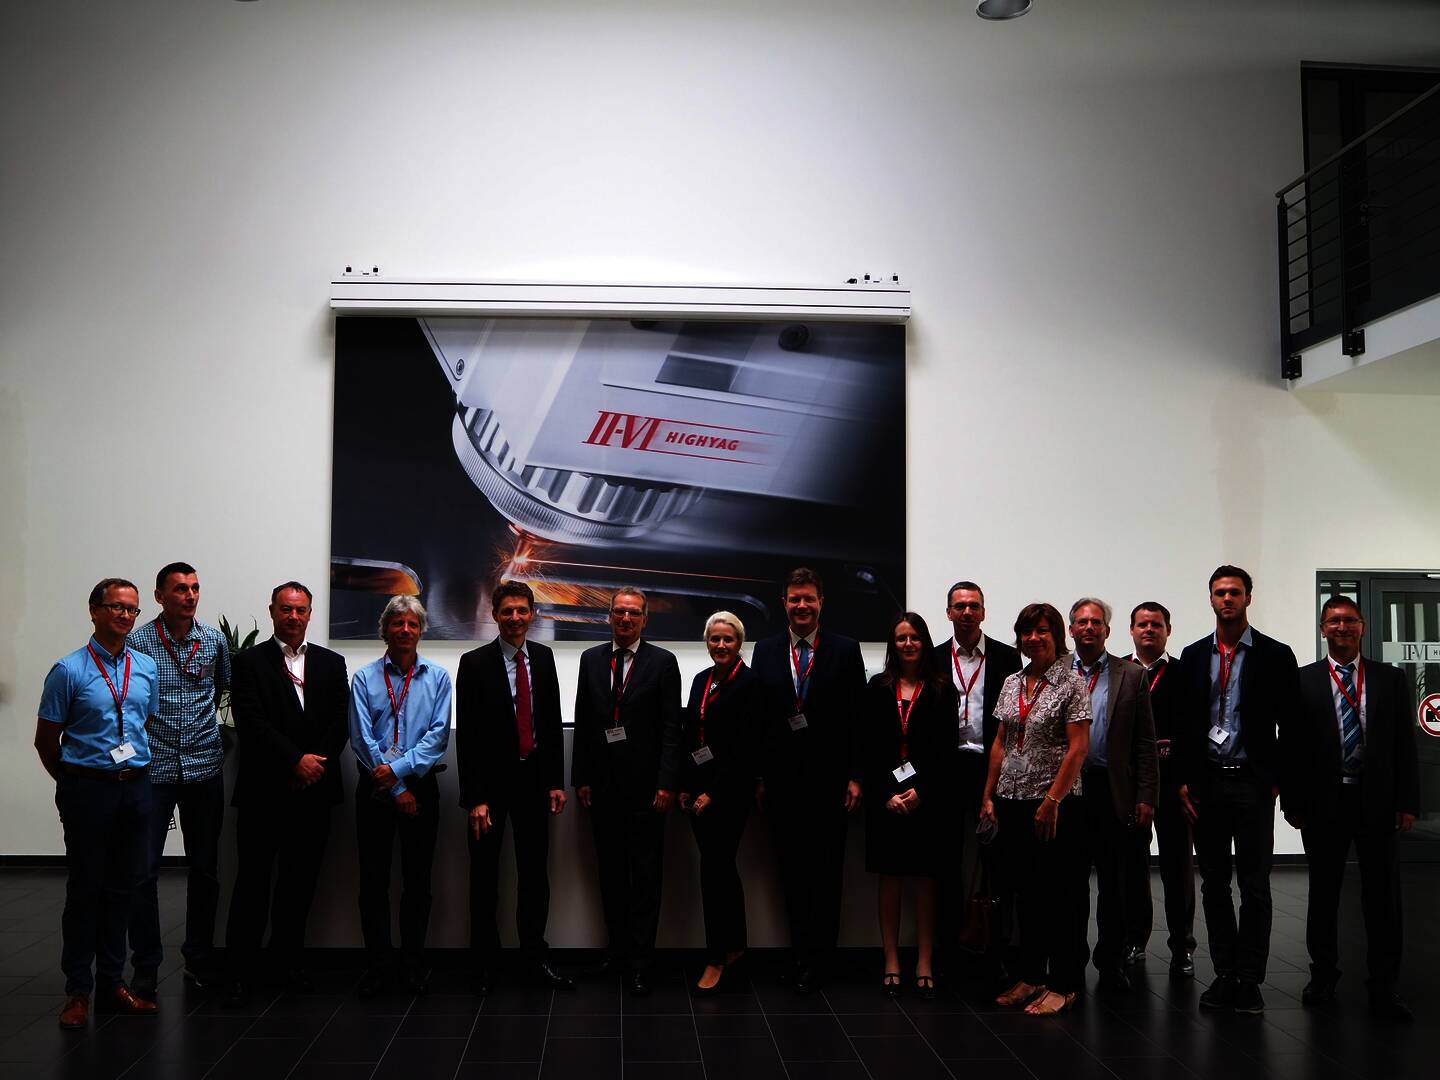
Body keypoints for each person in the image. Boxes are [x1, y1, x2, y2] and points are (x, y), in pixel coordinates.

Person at [1285, 596, 1420, 1020]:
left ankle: (1384, 984)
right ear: (1322, 629)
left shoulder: (1389, 679)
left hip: (1376, 800)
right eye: (1333, 621)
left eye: (1349, 620)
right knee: (1324, 892)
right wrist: (1292, 802)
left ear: (1362, 627)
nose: (1341, 627)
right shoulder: (1303, 680)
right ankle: (1323, 975)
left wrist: (1407, 802)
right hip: (1323, 801)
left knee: (1383, 896)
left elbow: (1404, 744)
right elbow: (1291, 747)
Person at [1174, 565, 1299, 1015]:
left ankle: (1250, 979)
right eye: (1220, 592)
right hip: (1207, 783)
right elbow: (1185, 723)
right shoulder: (1192, 655)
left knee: (1255, 885)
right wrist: (1183, 780)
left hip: (1252, 782)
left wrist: (1277, 778)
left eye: (1235, 592)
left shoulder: (1274, 654)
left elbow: (1293, 723)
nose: (1227, 599)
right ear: (1210, 599)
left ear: (1248, 597)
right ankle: (1224, 973)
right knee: (1214, 884)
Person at [36, 579, 161, 1028]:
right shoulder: (68, 670)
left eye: (132, 610)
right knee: (85, 889)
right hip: (87, 789)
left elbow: (144, 721)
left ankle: (112, 984)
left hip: (135, 787)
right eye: (116, 607)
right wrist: (75, 783)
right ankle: (78, 991)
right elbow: (46, 740)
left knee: (123, 889)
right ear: (94, 611)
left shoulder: (145, 667)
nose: (125, 616)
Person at [224, 581, 350, 1007]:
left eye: (300, 610)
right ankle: (240, 971)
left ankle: (288, 963)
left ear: (310, 613)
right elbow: (251, 722)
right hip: (264, 792)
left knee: (299, 884)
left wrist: (312, 765)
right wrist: (294, 761)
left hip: (314, 793)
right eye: (285, 609)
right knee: (252, 884)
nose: (293, 617)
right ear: (272, 611)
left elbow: (340, 721)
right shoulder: (249, 662)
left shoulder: (331, 663)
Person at [752, 567, 867, 994]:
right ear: (784, 603)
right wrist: (759, 776)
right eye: (795, 598)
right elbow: (760, 719)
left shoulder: (845, 649)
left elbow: (856, 718)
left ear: (822, 602)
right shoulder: (765, 650)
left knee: (827, 873)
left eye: (809, 598)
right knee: (791, 872)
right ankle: (800, 954)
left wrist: (856, 775)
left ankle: (822, 959)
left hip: (830, 783)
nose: (802, 605)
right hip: (781, 783)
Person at [456, 581, 572, 995]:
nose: (515, 618)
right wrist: (475, 798)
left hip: (534, 785)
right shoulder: (474, 663)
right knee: (485, 878)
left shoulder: (543, 657)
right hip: (489, 790)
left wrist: (556, 782)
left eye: (522, 610)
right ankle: (483, 965)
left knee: (534, 876)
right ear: (495, 615)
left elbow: (551, 723)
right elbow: (468, 736)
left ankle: (535, 958)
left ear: (532, 613)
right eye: (507, 611)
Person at [980, 602, 1091, 1016]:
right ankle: (1030, 975)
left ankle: (1064, 983)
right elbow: (1001, 742)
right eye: (1027, 631)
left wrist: (1052, 801)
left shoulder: (1071, 682)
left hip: (1055, 806)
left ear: (1057, 635)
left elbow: (1078, 748)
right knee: (1025, 895)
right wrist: (988, 795)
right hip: (1012, 801)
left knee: (1061, 896)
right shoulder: (1013, 681)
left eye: (1042, 630)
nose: (1033, 638)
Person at [126, 561, 231, 994]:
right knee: (143, 871)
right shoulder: (138, 642)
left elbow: (222, 688)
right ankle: (146, 964)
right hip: (154, 770)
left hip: (204, 767)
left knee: (204, 868)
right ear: (159, 597)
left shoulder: (214, 640)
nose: (189, 596)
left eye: (195, 588)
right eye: (180, 589)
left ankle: (199, 958)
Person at [571, 587, 682, 997]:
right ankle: (615, 953)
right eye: (619, 612)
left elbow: (671, 728)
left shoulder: (663, 662)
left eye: (633, 613)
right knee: (611, 874)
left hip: (647, 791)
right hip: (602, 788)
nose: (625, 619)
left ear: (645, 619)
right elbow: (584, 721)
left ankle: (640, 961)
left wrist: (667, 782)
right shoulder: (591, 659)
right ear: (609, 617)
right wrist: (581, 777)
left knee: (646, 878)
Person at [350, 595, 452, 997]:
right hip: (374, 788)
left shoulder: (439, 678)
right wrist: (394, 786)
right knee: (373, 884)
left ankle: (413, 965)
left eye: (412, 624)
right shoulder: (363, 678)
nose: (405, 630)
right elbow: (361, 738)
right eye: (398, 623)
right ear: (385, 630)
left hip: (420, 788)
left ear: (421, 630)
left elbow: (437, 737)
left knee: (418, 882)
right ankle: (378, 966)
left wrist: (398, 773)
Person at [932, 581, 1022, 990]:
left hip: (991, 769)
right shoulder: (934, 658)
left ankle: (996, 955)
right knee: (945, 863)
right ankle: (948, 954)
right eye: (959, 606)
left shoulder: (1006, 656)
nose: (967, 613)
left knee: (997, 863)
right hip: (947, 770)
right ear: (949, 613)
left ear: (983, 612)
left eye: (974, 606)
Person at [1066, 597, 1158, 992]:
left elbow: (1145, 743)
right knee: (1070, 882)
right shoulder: (1055, 671)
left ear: (1107, 629)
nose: (1089, 627)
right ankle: (1070, 961)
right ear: (1071, 629)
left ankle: (1111, 961)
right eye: (1082, 621)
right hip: (1068, 790)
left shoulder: (1131, 676)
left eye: (1096, 622)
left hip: (1112, 790)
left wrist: (1147, 795)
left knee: (1114, 883)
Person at [863, 612, 952, 999]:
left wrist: (921, 792)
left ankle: (925, 961)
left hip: (925, 801)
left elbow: (946, 749)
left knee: (927, 879)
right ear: (892, 644)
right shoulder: (877, 687)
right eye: (901, 638)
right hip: (887, 801)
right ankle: (891, 960)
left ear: (924, 642)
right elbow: (867, 746)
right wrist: (886, 792)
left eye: (915, 637)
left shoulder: (942, 688)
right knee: (891, 879)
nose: (908, 644)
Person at [678, 611, 760, 995]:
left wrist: (714, 792)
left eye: (728, 639)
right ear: (707, 642)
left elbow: (746, 747)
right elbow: (692, 735)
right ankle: (735, 946)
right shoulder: (702, 679)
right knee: (722, 869)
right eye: (715, 639)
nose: (721, 645)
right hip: (699, 792)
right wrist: (686, 785)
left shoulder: (750, 683)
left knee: (714, 871)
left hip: (729, 795)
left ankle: (715, 958)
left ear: (739, 642)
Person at [1122, 601, 1197, 978]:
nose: (1149, 630)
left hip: (1173, 783)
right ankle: (1135, 939)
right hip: (1130, 784)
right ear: (1131, 631)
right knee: (1132, 865)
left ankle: (1182, 946)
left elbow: (1195, 729)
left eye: (1156, 624)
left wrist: (1187, 780)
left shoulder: (1185, 673)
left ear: (1168, 630)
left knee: (1177, 867)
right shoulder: (1118, 671)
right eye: (1142, 624)